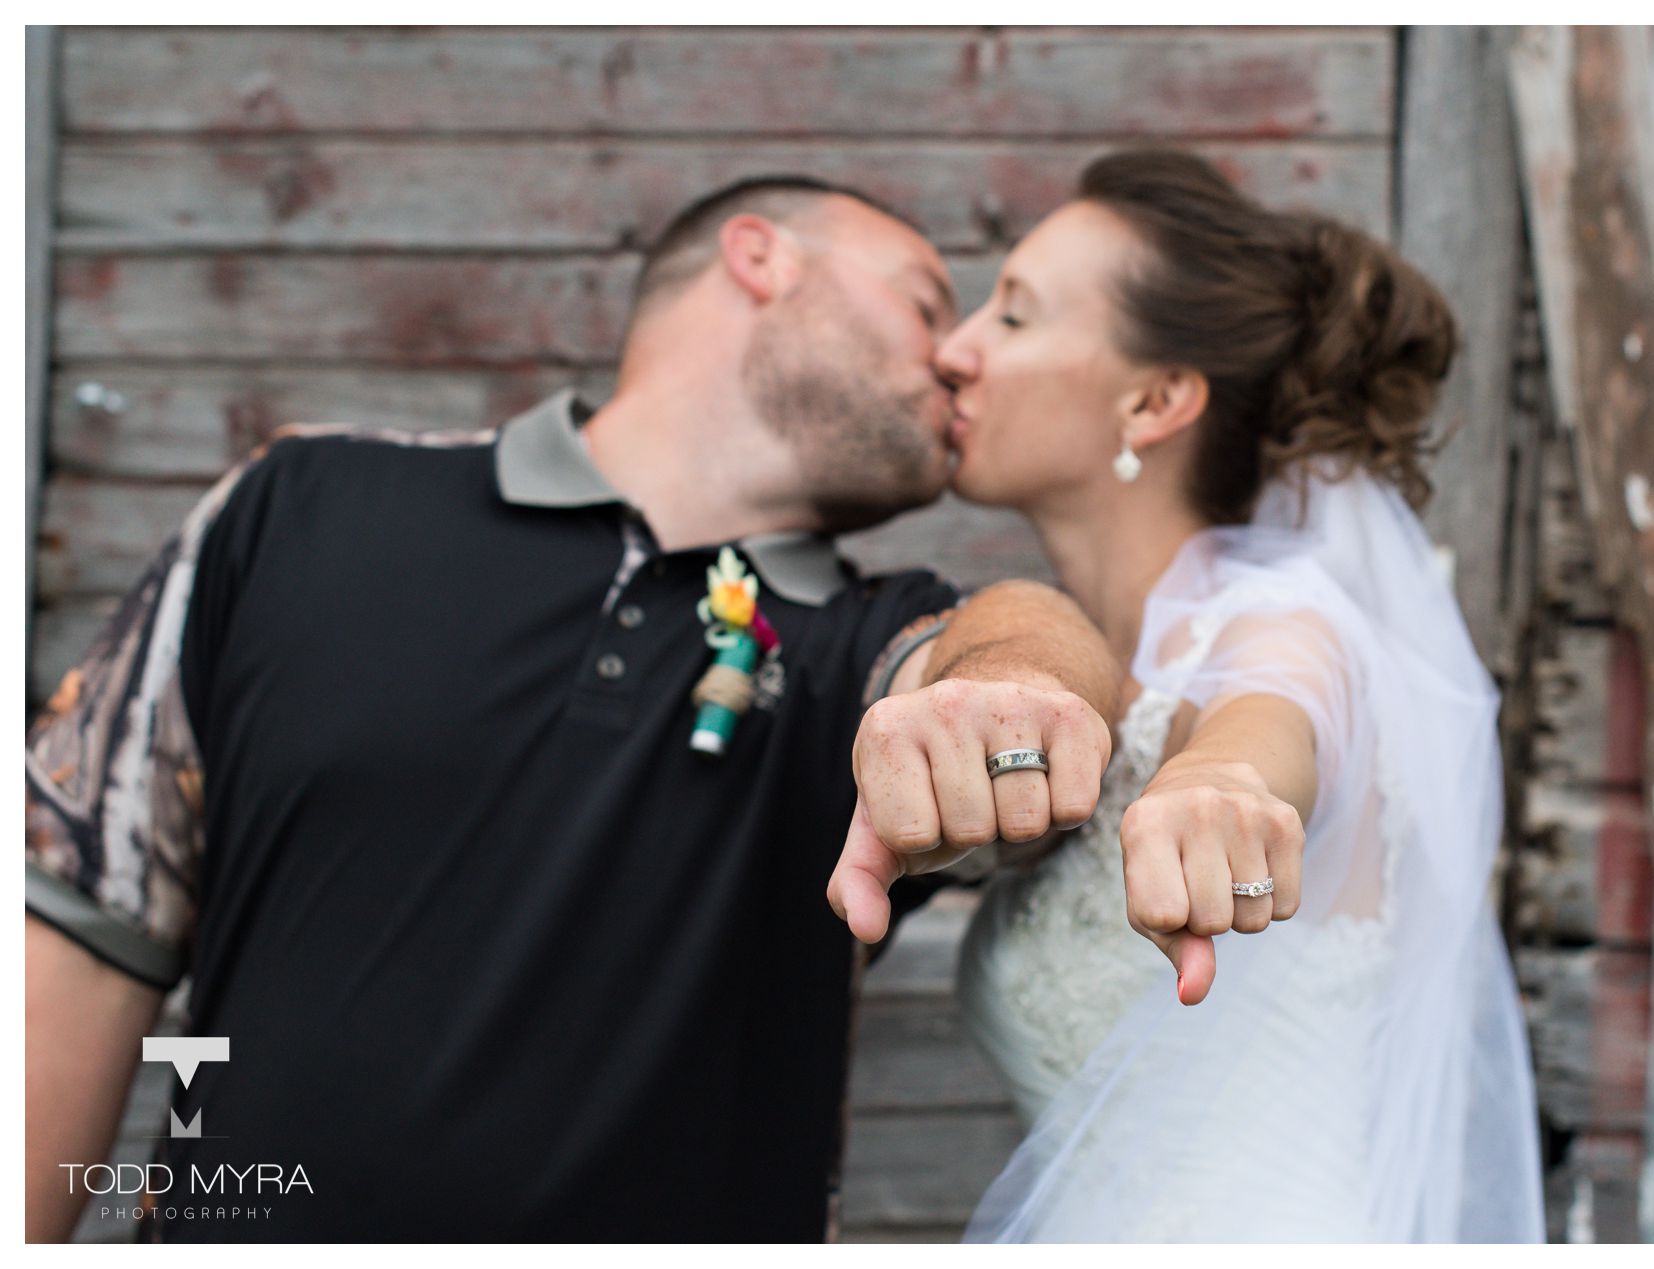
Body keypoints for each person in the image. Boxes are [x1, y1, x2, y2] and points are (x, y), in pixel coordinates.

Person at [24, 175, 1127, 1242]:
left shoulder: (873, 641)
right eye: (926, 303)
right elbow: (77, 931)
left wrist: (1017, 682)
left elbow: (1002, 642)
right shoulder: (297, 508)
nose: (954, 356)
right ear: (761, 258)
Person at [922, 151, 1542, 1240]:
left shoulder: (1283, 622)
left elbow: (1271, 714)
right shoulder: (1093, 669)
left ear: (1155, 401)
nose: (953, 351)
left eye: (1013, 318)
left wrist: (1220, 778)